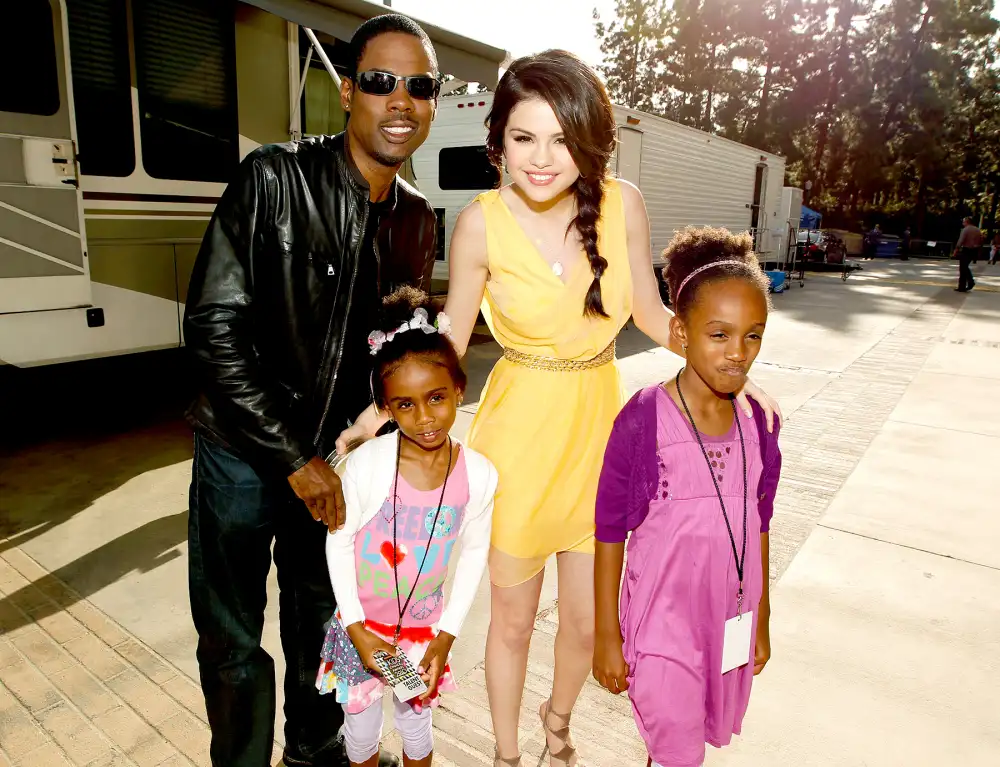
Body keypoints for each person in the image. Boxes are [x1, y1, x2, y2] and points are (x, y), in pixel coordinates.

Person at [339, 50, 779, 766]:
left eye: (561, 139)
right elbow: (447, 338)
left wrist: (726, 364)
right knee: (511, 620)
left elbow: (648, 307)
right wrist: (373, 416)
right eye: (523, 138)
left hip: (601, 433)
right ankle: (509, 752)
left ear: (589, 140)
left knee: (584, 620)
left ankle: (558, 719)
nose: (542, 159)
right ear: (498, 141)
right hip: (518, 435)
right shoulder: (480, 223)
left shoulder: (622, 203)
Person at [182, 14, 440, 767]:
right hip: (240, 454)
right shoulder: (274, 177)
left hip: (335, 469)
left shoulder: (419, 220)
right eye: (382, 81)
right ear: (346, 90)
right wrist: (294, 456)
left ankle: (315, 753)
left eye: (419, 86)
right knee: (233, 643)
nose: (401, 100)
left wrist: (377, 456)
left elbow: (394, 360)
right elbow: (212, 328)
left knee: (323, 625)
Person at [592, 227, 783, 767]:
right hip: (661, 624)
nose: (737, 353)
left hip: (727, 615)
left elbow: (760, 525)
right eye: (718, 335)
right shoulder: (644, 419)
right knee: (679, 750)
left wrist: (761, 620)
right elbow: (609, 530)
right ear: (680, 330)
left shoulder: (759, 425)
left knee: (688, 740)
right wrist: (608, 634)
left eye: (753, 336)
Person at [320, 287, 498, 767]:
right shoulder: (368, 467)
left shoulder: (478, 474)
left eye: (437, 398)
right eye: (404, 405)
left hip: (421, 635)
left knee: (417, 727)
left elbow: (475, 555)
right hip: (363, 630)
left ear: (459, 389)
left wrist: (446, 635)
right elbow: (338, 543)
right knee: (359, 733)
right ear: (386, 407)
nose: (424, 418)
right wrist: (356, 628)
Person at [952, 216, 982, 292]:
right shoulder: (977, 230)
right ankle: (964, 285)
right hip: (975, 249)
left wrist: (956, 249)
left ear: (967, 222)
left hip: (966, 249)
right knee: (964, 267)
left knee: (963, 268)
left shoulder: (965, 230)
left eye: (964, 222)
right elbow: (981, 240)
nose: (963, 223)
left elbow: (961, 240)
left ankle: (968, 282)